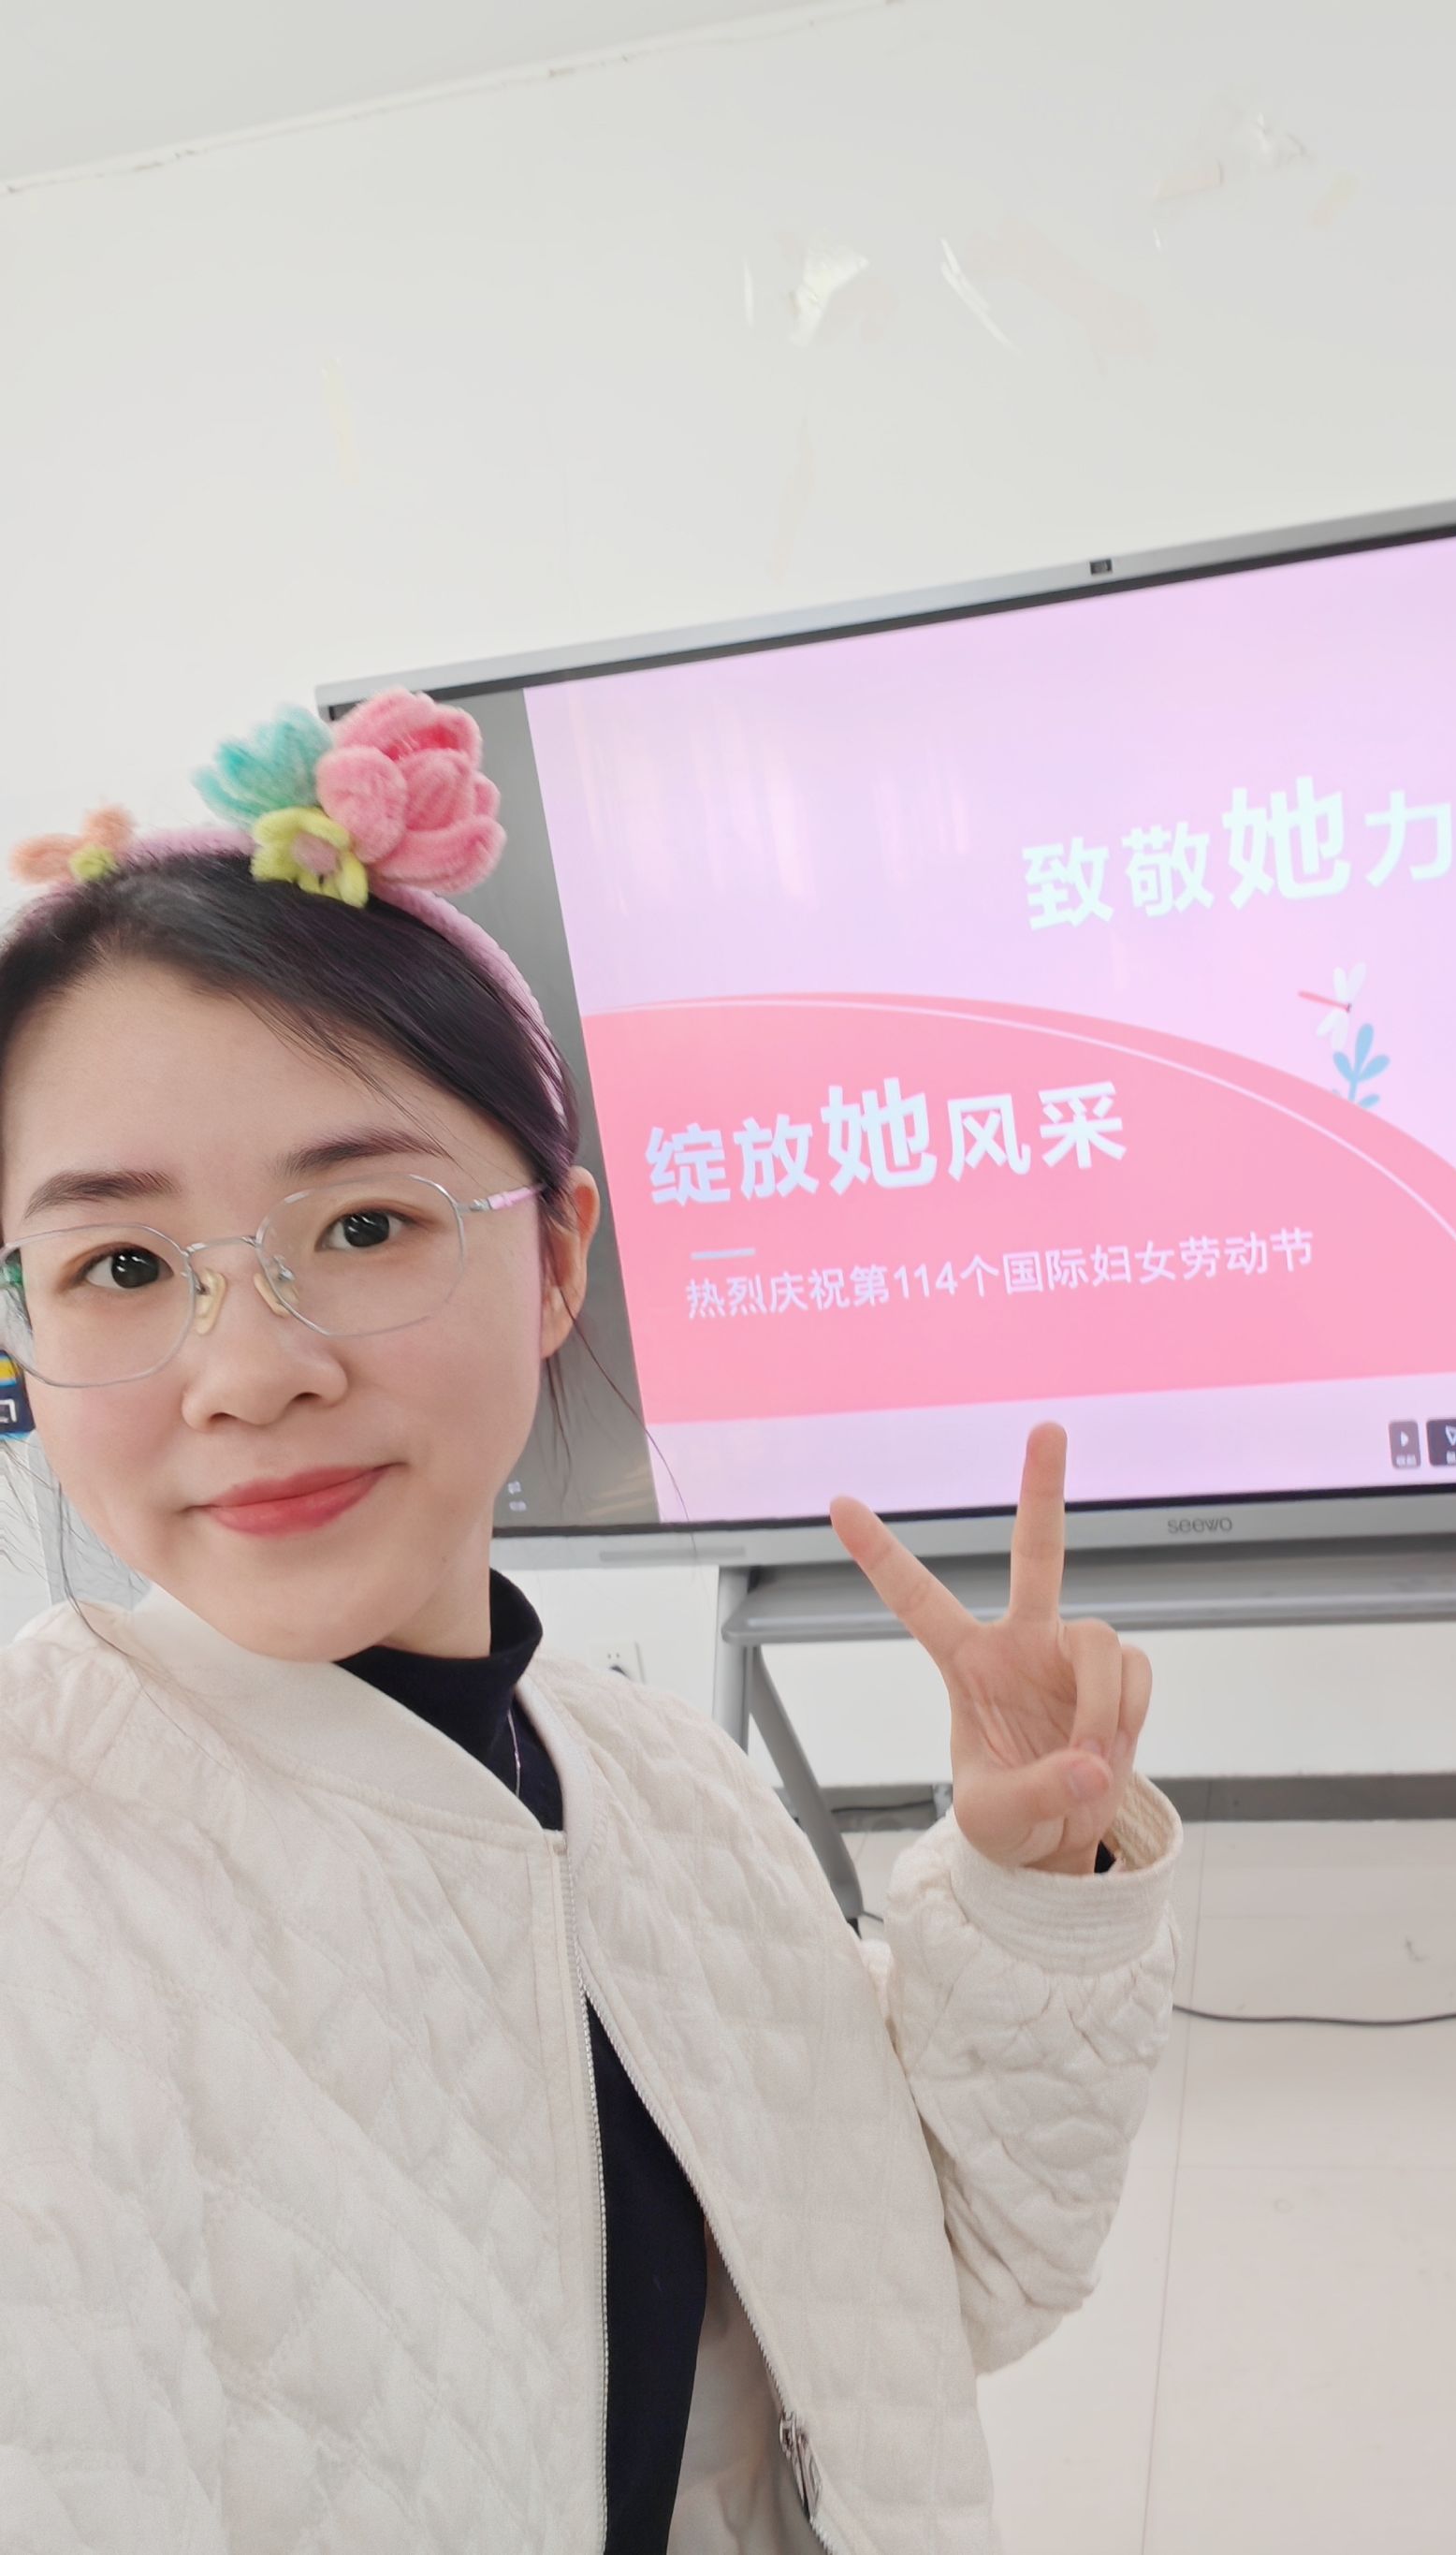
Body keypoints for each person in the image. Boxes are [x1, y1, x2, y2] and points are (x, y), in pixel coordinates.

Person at [0, 695, 1181, 2555]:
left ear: (553, 1257)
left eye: (364, 1225)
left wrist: (1033, 1896)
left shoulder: (665, 1786)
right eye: (122, 1265)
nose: (248, 1370)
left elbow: (936, 2303)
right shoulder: (46, 1883)